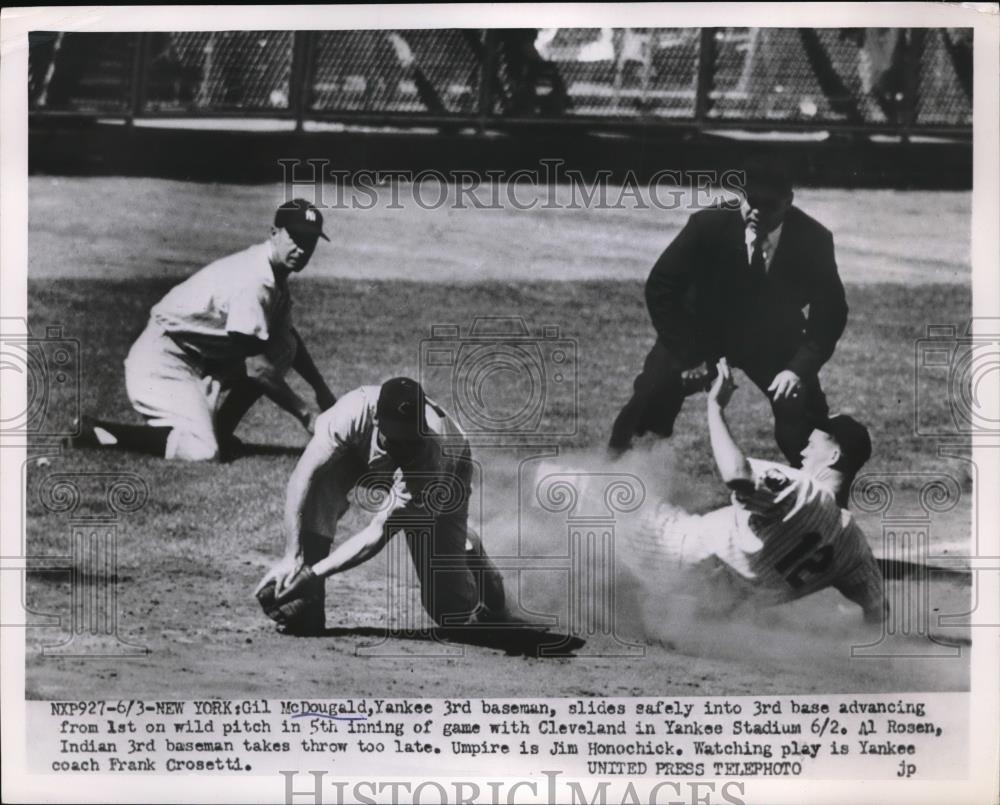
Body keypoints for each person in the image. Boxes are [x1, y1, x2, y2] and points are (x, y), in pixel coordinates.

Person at [608, 156, 848, 466]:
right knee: (652, 393)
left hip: (772, 339)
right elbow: (661, 286)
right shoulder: (707, 225)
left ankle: (818, 489)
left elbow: (830, 311)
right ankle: (618, 475)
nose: (757, 210)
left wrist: (797, 370)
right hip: (700, 332)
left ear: (788, 201)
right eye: (751, 200)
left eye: (769, 204)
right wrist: (688, 354)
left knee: (806, 414)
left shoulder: (814, 239)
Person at [67, 199, 337, 461]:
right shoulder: (255, 279)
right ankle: (98, 431)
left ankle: (220, 432)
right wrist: (306, 415)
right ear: (274, 233)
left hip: (200, 361)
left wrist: (321, 389)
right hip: (162, 362)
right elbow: (256, 368)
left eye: (309, 241)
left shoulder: (273, 276)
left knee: (284, 346)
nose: (302, 249)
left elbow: (288, 339)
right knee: (202, 450)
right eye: (296, 238)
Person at [624, 358, 886, 624]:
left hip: (666, 548)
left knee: (600, 491)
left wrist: (715, 406)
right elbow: (878, 610)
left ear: (834, 456)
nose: (804, 449)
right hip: (707, 607)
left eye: (812, 443)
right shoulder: (853, 548)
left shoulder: (804, 491)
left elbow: (737, 475)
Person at [255, 377, 511, 635]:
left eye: (412, 440)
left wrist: (312, 575)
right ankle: (308, 607)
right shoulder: (351, 413)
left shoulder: (431, 455)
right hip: (360, 451)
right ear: (376, 419)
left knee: (448, 609)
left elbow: (378, 532)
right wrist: (292, 555)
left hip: (447, 473)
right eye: (397, 440)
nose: (405, 449)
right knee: (319, 487)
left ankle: (470, 552)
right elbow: (302, 477)